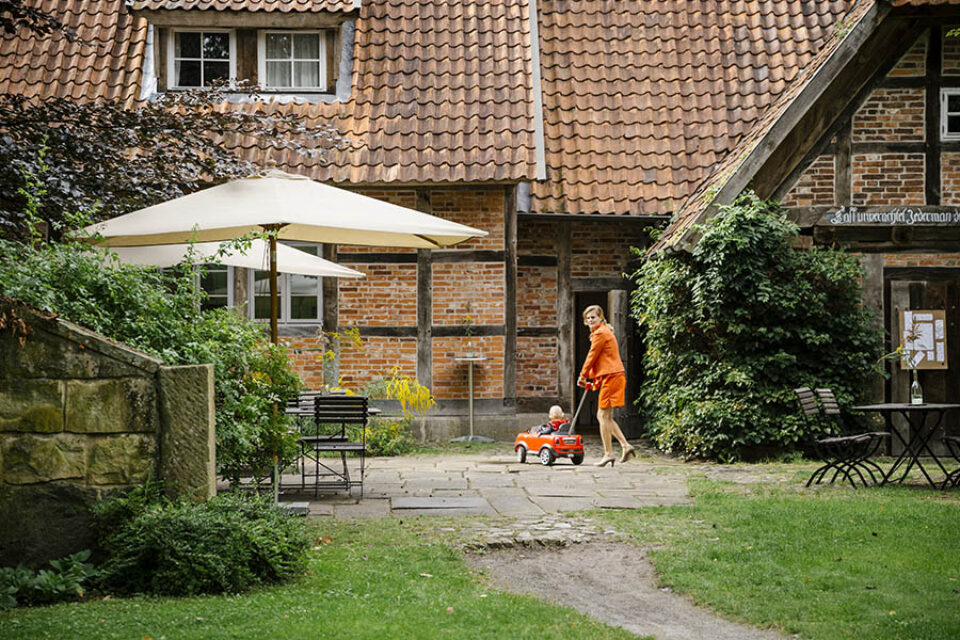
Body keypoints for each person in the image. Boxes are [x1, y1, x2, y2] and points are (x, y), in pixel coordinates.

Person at [578, 304, 635, 466]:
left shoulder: (600, 333)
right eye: (588, 318)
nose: (590, 320)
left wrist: (583, 376)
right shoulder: (603, 332)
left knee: (602, 416)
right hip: (613, 376)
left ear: (601, 318)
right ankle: (625, 445)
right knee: (606, 416)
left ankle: (608, 453)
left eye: (593, 317)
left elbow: (592, 356)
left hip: (612, 377)